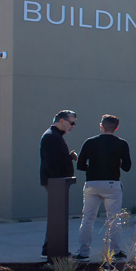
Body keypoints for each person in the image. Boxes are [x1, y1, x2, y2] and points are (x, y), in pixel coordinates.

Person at [75, 114, 133, 260]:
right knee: (114, 219)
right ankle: (116, 251)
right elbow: (127, 167)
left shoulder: (89, 142)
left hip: (92, 183)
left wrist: (92, 166)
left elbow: (80, 165)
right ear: (116, 128)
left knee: (87, 218)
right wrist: (115, 162)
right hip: (112, 184)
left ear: (101, 125)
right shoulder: (122, 144)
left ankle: (83, 253)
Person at [40, 110, 79, 257]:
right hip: (55, 183)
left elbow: (56, 158)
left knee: (57, 217)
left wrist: (69, 158)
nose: (73, 126)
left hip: (58, 183)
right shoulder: (51, 137)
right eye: (71, 122)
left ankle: (48, 249)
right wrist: (59, 182)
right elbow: (50, 163)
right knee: (57, 218)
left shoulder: (56, 136)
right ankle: (53, 251)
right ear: (61, 121)